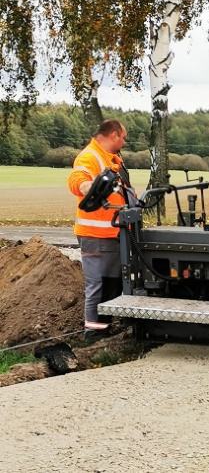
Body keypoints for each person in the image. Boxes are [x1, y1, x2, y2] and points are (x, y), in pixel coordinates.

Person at [67, 119, 132, 343]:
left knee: (112, 283)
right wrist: (86, 186)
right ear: (114, 135)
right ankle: (92, 334)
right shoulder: (90, 156)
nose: (124, 141)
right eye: (123, 137)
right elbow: (78, 178)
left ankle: (104, 327)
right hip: (94, 235)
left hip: (114, 234)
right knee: (97, 284)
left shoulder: (113, 159)